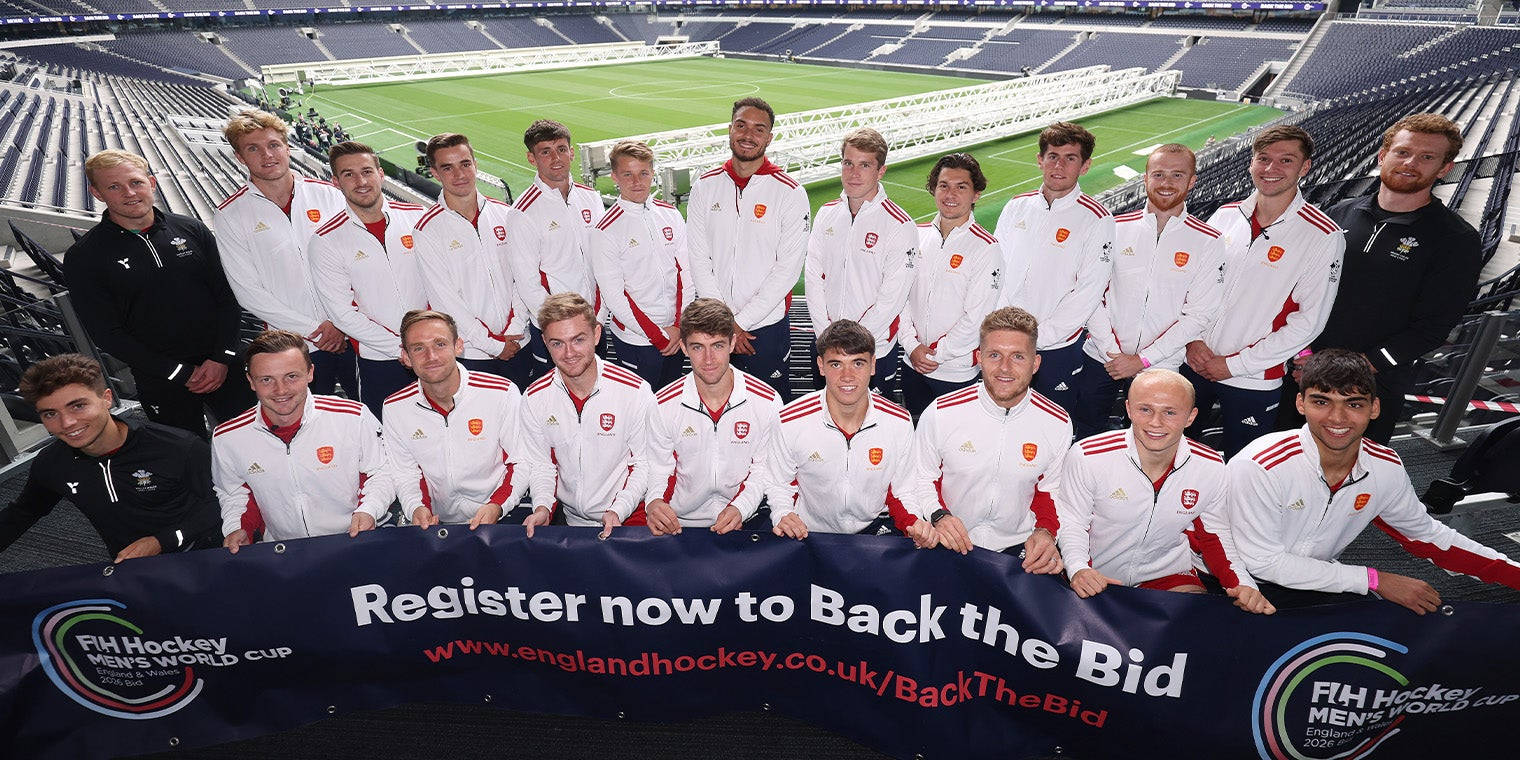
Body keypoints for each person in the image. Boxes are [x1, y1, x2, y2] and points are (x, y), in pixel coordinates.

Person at [1230, 349, 1520, 612]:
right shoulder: (1261, 464)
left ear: (1374, 408)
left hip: (1317, 580)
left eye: (1354, 405)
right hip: (1231, 582)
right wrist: (1373, 579)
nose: (1337, 418)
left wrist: (1515, 575)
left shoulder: (1384, 467)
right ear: (1301, 404)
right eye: (1322, 402)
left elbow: (1428, 537)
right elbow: (1264, 562)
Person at [1278, 113, 1482, 443]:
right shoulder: (1339, 213)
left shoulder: (1455, 239)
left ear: (1444, 168)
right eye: (1402, 152)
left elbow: (1433, 326)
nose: (1411, 163)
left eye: (1427, 157)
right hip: (1301, 371)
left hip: (1371, 384)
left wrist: (1359, 367)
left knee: (1345, 479)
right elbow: (1297, 288)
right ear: (1383, 156)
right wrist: (1301, 356)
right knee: (1278, 463)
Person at [1055, 369, 1273, 614]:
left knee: (1197, 621)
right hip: (1095, 572)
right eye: (1145, 409)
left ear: (1191, 417)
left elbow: (1214, 535)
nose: (1155, 422)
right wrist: (1078, 568)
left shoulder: (1211, 466)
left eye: (1170, 412)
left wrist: (1241, 583)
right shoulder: (1088, 455)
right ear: (1128, 409)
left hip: (1166, 574)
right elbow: (1072, 522)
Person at [66, 150, 251, 436]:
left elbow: (227, 297)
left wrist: (221, 358)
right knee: (185, 461)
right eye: (114, 187)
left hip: (226, 366)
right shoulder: (85, 256)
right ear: (97, 193)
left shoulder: (192, 229)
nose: (129, 193)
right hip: (162, 380)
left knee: (254, 444)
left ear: (151, 183)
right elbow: (106, 332)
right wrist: (177, 371)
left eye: (136, 182)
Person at [1190, 125, 1345, 457]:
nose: (1271, 169)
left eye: (1286, 160)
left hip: (1253, 377)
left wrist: (1235, 364)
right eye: (1263, 159)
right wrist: (1192, 340)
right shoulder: (1226, 215)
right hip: (1193, 360)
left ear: (1305, 167)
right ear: (1251, 163)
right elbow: (1194, 286)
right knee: (1175, 451)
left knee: (1241, 463)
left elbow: (1309, 322)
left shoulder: (1323, 235)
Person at [0, 355, 221, 562]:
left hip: (204, 555)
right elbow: (25, 511)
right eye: (50, 414)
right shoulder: (51, 464)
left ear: (106, 398)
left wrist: (163, 541)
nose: (66, 423)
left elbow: (224, 503)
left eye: (78, 406)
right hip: (128, 567)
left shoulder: (178, 447)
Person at [1074, 144, 1225, 438]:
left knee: (1149, 441)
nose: (1166, 183)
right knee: (1085, 434)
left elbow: (1199, 315)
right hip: (1102, 358)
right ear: (1145, 178)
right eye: (1158, 174)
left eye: (1177, 175)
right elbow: (1091, 293)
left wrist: (1141, 360)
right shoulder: (1114, 227)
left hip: (1161, 365)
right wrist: (1114, 353)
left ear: (1192, 181)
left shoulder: (1209, 240)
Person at [903, 307, 1069, 573]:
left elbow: (1051, 490)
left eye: (1017, 356)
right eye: (994, 355)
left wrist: (1046, 532)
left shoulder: (1057, 422)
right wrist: (938, 515)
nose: (1005, 367)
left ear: (1035, 363)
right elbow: (921, 478)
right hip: (949, 541)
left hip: (1018, 553)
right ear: (979, 358)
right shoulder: (941, 412)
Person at [214, 109, 356, 400]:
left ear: (287, 147)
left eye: (274, 145)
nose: (267, 155)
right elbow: (248, 291)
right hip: (294, 347)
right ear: (240, 158)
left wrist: (341, 322)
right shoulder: (230, 214)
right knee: (311, 430)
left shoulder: (329, 195)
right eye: (253, 149)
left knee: (373, 415)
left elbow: (356, 263)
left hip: (354, 335)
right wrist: (316, 330)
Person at [213, 330, 393, 550]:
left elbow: (381, 471)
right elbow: (234, 493)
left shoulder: (353, 417)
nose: (280, 390)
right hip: (285, 554)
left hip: (356, 541)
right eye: (267, 379)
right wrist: (238, 528)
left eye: (291, 376)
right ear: (251, 381)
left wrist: (369, 510)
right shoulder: (228, 437)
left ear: (310, 373)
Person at [686, 97, 810, 399]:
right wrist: (724, 322)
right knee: (713, 404)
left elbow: (788, 271)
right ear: (730, 130)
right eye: (741, 125)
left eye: (758, 129)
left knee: (769, 409)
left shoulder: (790, 192)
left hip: (763, 329)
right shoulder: (705, 185)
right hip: (713, 327)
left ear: (769, 137)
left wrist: (740, 323)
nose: (747, 135)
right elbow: (699, 258)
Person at [763, 320, 928, 544]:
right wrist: (783, 514)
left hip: (876, 530)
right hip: (809, 532)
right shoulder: (790, 419)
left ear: (873, 365)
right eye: (836, 364)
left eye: (858, 363)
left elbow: (903, 490)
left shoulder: (899, 421)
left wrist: (914, 522)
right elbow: (778, 484)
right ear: (820, 366)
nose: (847, 376)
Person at [992, 122, 1114, 415]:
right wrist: (1005, 328)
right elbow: (996, 271)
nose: (1059, 165)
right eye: (1052, 156)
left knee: (1049, 422)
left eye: (1070, 158)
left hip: (1056, 347)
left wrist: (1038, 338)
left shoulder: (1097, 218)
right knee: (998, 415)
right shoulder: (1016, 206)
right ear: (1040, 160)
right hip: (1005, 339)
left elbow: (1088, 291)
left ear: (1085, 166)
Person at [519, 293, 656, 538]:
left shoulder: (635, 391)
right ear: (544, 343)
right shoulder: (534, 398)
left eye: (578, 340)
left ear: (596, 334)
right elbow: (542, 466)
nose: (569, 352)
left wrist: (618, 510)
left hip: (629, 517)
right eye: (557, 343)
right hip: (572, 522)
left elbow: (644, 464)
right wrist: (542, 508)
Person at [307, 141, 428, 416]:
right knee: (387, 439)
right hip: (380, 359)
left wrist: (426, 344)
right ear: (336, 182)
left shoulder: (418, 218)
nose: (360, 181)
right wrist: (403, 348)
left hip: (434, 354)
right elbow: (342, 314)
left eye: (366, 171)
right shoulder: (325, 240)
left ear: (380, 173)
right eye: (348, 174)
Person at [645, 298, 783, 535]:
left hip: (746, 518)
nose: (708, 359)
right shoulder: (662, 403)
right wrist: (655, 502)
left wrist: (741, 507)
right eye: (698, 347)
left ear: (732, 343)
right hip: (680, 524)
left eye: (717, 346)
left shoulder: (767, 401)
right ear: (685, 348)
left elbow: (765, 469)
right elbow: (658, 468)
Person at [411, 133, 536, 388]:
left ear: (475, 164)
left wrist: (515, 327)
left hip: (519, 342)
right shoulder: (427, 230)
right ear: (434, 172)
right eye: (448, 167)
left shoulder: (505, 214)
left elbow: (523, 277)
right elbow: (445, 302)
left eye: (465, 164)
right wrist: (493, 344)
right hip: (474, 354)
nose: (459, 174)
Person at [383, 310, 524, 530]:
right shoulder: (395, 407)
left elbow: (520, 460)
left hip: (503, 514)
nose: (431, 356)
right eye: (419, 348)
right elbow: (406, 473)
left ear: (458, 346)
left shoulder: (502, 392)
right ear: (406, 357)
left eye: (440, 344)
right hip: (440, 523)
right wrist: (416, 508)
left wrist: (497, 506)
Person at [805, 127, 916, 397]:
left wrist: (854, 346)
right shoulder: (827, 213)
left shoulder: (900, 224)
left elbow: (892, 297)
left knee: (873, 429)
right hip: (824, 343)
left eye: (864, 165)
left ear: (881, 171)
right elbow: (813, 276)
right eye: (848, 163)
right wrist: (825, 335)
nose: (854, 173)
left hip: (873, 350)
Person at [899, 152, 1001, 416]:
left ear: (976, 194)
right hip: (912, 362)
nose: (950, 194)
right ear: (934, 189)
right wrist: (911, 346)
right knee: (916, 430)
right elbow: (900, 297)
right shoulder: (917, 235)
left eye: (961, 187)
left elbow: (978, 316)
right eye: (943, 185)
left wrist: (935, 355)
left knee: (953, 444)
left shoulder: (986, 248)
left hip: (955, 371)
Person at [503, 119, 606, 374]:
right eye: (545, 152)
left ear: (572, 152)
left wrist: (597, 319)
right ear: (531, 158)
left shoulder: (591, 198)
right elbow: (527, 283)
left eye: (561, 148)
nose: (556, 157)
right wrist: (561, 328)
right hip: (556, 333)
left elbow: (604, 263)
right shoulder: (523, 212)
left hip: (595, 323)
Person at [591, 140, 693, 389]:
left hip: (675, 333)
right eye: (628, 174)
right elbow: (615, 297)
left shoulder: (670, 214)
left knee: (670, 403)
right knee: (639, 410)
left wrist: (679, 326)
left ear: (653, 174)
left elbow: (686, 274)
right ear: (614, 176)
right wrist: (658, 336)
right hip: (636, 340)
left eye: (643, 173)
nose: (637, 181)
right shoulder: (605, 230)